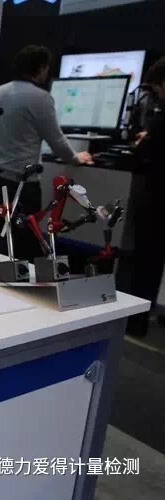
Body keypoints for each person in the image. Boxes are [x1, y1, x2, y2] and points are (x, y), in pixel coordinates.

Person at [0, 45, 93, 260]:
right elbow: (56, 140)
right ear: (41, 68)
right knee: (23, 245)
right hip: (22, 184)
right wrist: (75, 158)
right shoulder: (40, 98)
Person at [127, 56, 165, 336]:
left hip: (156, 199)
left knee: (145, 263)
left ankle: (135, 321)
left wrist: (144, 141)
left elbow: (142, 155)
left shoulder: (161, 121)